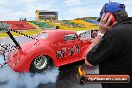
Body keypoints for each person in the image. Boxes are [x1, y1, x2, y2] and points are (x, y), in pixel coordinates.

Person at [84, 2, 132, 88]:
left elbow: (88, 60)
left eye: (102, 20)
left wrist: (101, 33)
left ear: (109, 18)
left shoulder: (116, 33)